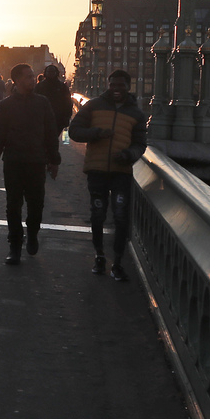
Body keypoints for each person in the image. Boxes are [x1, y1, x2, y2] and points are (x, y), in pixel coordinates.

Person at [68, 70, 148, 283]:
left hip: (121, 172)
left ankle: (118, 263)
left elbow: (140, 144)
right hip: (97, 170)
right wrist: (95, 133)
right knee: (98, 214)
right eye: (112, 85)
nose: (116, 89)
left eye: (120, 86)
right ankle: (100, 257)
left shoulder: (137, 114)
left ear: (128, 87)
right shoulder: (94, 105)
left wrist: (129, 154)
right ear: (108, 85)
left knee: (121, 217)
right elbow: (74, 130)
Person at [0, 63, 59, 264]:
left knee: (36, 205)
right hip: (14, 161)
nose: (32, 80)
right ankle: (15, 245)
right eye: (28, 77)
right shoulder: (6, 105)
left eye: (33, 76)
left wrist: (54, 160)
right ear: (16, 80)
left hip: (37, 161)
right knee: (13, 206)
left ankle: (33, 233)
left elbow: (51, 133)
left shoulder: (42, 103)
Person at [35, 64, 74, 144]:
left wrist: (67, 116)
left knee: (51, 139)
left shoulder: (62, 87)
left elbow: (68, 103)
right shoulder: (40, 86)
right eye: (49, 72)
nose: (51, 74)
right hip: (43, 117)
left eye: (52, 72)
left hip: (57, 118)